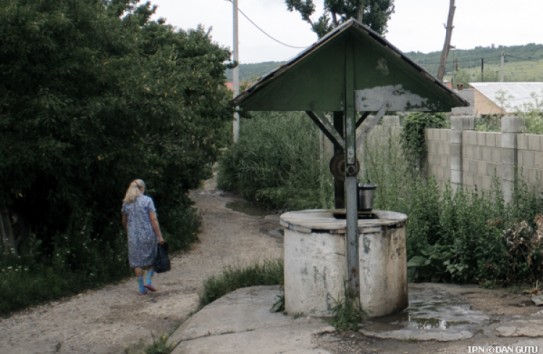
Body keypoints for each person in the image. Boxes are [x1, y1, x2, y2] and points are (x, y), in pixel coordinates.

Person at [121, 179, 165, 295]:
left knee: (137, 262)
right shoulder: (147, 201)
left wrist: (128, 231)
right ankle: (149, 280)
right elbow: (153, 219)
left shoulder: (126, 203)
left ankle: (141, 288)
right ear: (142, 188)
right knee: (154, 256)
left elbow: (124, 221)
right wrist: (159, 236)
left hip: (133, 237)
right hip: (147, 234)